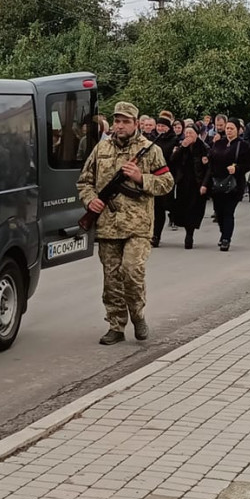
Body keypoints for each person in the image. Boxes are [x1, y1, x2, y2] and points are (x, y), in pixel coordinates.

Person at [79, 102, 173, 346]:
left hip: (138, 226)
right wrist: (91, 202)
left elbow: (167, 183)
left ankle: (138, 314)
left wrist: (141, 178)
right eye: (117, 121)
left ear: (136, 123)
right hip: (108, 225)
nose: (120, 125)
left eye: (125, 121)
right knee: (111, 279)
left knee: (131, 271)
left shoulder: (149, 150)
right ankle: (116, 325)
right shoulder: (101, 148)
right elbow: (84, 181)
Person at [206, 117, 250, 251]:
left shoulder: (243, 145)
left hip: (234, 184)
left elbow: (249, 164)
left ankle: (226, 238)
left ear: (238, 130)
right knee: (219, 213)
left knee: (228, 212)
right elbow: (212, 160)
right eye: (227, 128)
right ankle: (223, 233)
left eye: (232, 128)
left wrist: (237, 168)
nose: (229, 131)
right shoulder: (219, 143)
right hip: (217, 183)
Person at [168, 124, 211, 249]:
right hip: (183, 182)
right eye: (186, 133)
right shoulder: (181, 146)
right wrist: (182, 147)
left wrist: (204, 184)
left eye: (191, 133)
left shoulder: (204, 147)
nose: (188, 136)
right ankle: (186, 230)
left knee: (194, 210)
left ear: (196, 134)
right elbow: (173, 160)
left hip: (197, 183)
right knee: (183, 209)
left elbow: (208, 168)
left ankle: (189, 234)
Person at [150, 116, 180, 247]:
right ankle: (156, 235)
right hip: (153, 177)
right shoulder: (152, 139)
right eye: (158, 126)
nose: (160, 128)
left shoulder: (174, 140)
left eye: (163, 126)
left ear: (168, 128)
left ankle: (175, 218)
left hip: (168, 176)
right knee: (157, 208)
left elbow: (173, 158)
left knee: (167, 204)